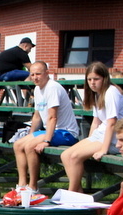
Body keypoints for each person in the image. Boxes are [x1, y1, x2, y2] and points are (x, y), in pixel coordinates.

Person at [10, 61, 79, 197]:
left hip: (66, 132)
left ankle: (33, 187)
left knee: (30, 146)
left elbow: (52, 117)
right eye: (33, 74)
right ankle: (22, 185)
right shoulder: (37, 89)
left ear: (47, 73)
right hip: (52, 130)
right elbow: (37, 117)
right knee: (19, 144)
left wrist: (46, 140)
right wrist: (29, 135)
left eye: (38, 74)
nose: (35, 77)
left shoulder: (52, 88)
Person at [61, 62, 123, 192]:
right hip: (100, 133)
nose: (92, 83)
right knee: (66, 155)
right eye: (89, 79)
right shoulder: (97, 93)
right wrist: (89, 140)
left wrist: (104, 149)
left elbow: (112, 123)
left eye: (96, 79)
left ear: (104, 78)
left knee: (75, 156)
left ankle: (72, 192)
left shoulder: (111, 92)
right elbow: (96, 121)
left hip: (114, 137)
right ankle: (78, 193)